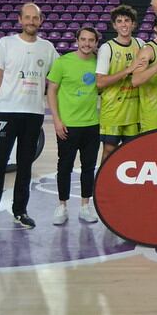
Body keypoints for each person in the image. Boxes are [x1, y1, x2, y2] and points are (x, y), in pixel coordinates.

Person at [0, 3, 58, 234]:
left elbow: (59, 77)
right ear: (19, 20)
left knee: (25, 167)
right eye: (27, 17)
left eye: (35, 18)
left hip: (33, 114)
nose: (31, 21)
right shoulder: (6, 43)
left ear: (41, 20)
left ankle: (21, 211)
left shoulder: (47, 48)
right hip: (6, 112)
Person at [46, 26, 102, 226]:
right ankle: (62, 206)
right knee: (64, 167)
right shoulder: (63, 62)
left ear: (96, 43)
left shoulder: (99, 64)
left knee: (88, 168)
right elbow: (51, 91)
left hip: (91, 125)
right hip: (68, 126)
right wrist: (57, 121)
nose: (87, 43)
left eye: (91, 40)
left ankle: (85, 206)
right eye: (83, 39)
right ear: (77, 40)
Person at [96, 5, 146, 163]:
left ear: (133, 24)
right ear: (114, 25)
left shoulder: (140, 44)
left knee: (132, 152)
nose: (124, 24)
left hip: (133, 112)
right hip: (113, 111)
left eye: (127, 21)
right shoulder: (107, 48)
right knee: (109, 151)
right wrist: (127, 71)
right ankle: (102, 185)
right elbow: (100, 82)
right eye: (119, 21)